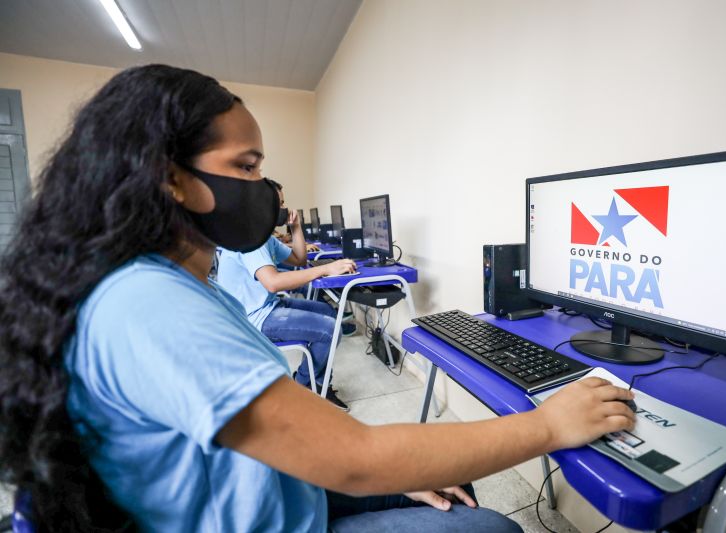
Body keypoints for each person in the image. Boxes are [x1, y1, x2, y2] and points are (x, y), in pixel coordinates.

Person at [0, 65, 636, 533]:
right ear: (170, 178)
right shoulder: (145, 302)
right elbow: (355, 462)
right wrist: (551, 424)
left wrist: (395, 466)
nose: (263, 187)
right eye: (246, 168)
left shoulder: (164, 279)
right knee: (491, 528)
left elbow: (321, 443)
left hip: (272, 489)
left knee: (452, 481)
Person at [216, 182, 356, 411]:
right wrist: (326, 269)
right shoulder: (251, 239)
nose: (284, 207)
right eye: (279, 203)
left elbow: (299, 259)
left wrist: (296, 227)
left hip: (267, 307)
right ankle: (307, 387)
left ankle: (310, 380)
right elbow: (272, 282)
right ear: (263, 207)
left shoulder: (265, 237)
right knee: (330, 328)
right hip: (252, 319)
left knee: (329, 313)